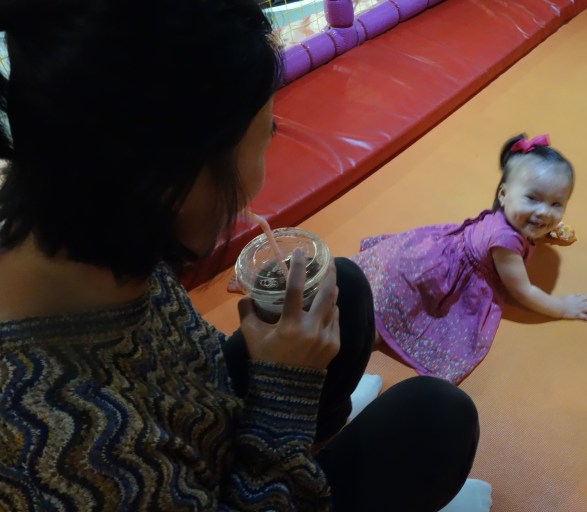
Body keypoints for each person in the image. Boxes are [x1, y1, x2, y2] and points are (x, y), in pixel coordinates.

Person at [0, 1, 490, 510]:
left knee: (339, 286)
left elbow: (182, 369)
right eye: (265, 139)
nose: (259, 175)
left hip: (201, 436)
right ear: (176, 183)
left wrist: (278, 372)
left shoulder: (89, 214)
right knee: (437, 421)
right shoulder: (65, 446)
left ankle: (312, 443)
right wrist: (284, 392)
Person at [351, 134, 587, 385]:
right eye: (533, 199)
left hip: (433, 252)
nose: (544, 212)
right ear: (504, 195)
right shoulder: (506, 244)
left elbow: (536, 215)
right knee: (394, 318)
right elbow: (523, 290)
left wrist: (544, 228)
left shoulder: (509, 215)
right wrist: (562, 307)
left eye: (556, 204)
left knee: (376, 300)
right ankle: (350, 351)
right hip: (439, 275)